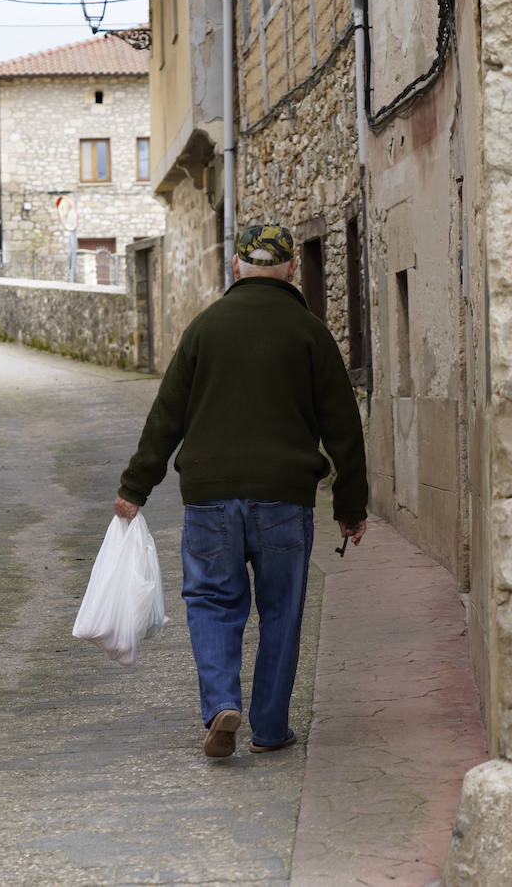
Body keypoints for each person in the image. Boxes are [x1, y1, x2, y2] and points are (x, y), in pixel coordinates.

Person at [114, 223, 368, 758]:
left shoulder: (205, 329)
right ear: (291, 269)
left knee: (210, 602)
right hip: (284, 498)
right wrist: (350, 505)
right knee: (282, 610)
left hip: (208, 498)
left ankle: (222, 705)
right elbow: (344, 426)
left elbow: (167, 417)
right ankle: (271, 728)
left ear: (235, 267)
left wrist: (135, 486)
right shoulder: (310, 332)